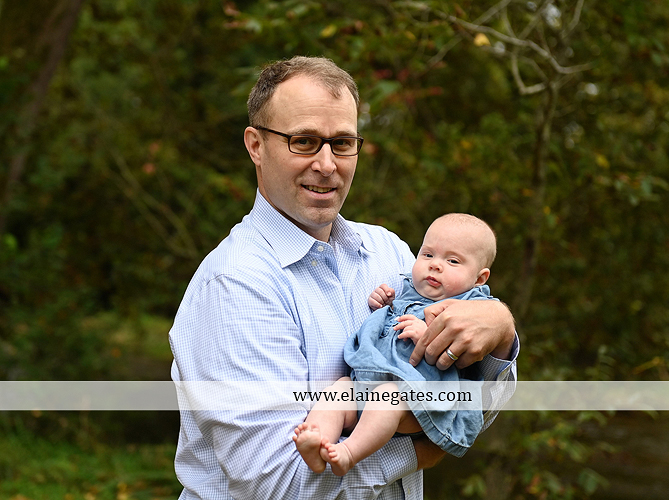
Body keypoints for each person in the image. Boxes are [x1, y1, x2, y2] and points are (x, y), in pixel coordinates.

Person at [169, 56, 519, 500]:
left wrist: (500, 332)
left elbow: (472, 404)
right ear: (256, 146)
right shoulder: (237, 284)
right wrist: (420, 450)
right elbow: (278, 485)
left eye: (342, 143)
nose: (326, 164)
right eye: (304, 141)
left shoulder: (390, 253)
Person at [293, 213, 499, 476]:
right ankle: (317, 439)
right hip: (368, 384)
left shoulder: (472, 309)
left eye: (453, 261)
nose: (435, 265)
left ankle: (348, 453)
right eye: (428, 255)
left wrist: (429, 335)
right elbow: (394, 317)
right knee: (340, 389)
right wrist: (385, 303)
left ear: (479, 278)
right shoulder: (410, 288)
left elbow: (470, 357)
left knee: (388, 396)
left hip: (419, 399)